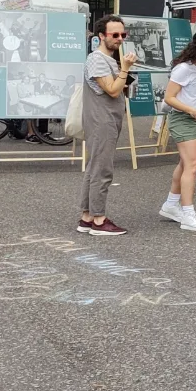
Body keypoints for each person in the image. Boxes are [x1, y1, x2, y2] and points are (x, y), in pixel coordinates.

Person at [77, 15, 137, 236]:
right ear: (101, 35)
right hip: (101, 121)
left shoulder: (110, 59)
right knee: (102, 170)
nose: (120, 39)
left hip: (107, 119)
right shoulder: (97, 59)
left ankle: (86, 217)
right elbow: (111, 89)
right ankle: (99, 221)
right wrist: (125, 69)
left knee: (94, 168)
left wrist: (125, 72)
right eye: (115, 35)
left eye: (123, 34)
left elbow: (118, 88)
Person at [159, 29, 196, 233]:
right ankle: (187, 213)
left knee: (186, 163)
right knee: (193, 165)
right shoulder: (184, 68)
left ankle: (171, 205)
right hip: (184, 117)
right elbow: (169, 97)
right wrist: (193, 110)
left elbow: (195, 89)